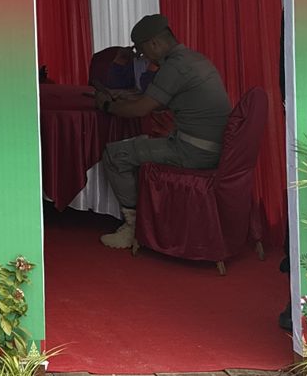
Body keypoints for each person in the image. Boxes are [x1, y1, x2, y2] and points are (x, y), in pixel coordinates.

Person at [96, 13, 233, 249]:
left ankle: (133, 227)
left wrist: (107, 105)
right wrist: (132, 99)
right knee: (142, 143)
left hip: (193, 151)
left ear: (154, 44)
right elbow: (160, 101)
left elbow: (141, 110)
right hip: (214, 147)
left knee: (114, 155)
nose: (143, 57)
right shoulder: (193, 59)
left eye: (142, 51)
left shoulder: (174, 67)